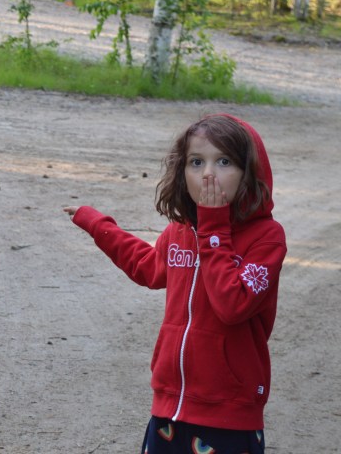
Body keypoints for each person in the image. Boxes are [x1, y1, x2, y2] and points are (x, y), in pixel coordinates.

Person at [63, 114, 286, 454]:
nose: (208, 173)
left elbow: (232, 305)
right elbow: (147, 268)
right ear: (182, 173)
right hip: (169, 405)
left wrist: (213, 229)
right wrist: (98, 225)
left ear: (249, 173)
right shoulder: (180, 232)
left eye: (223, 161)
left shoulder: (267, 238)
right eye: (197, 162)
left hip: (228, 412)